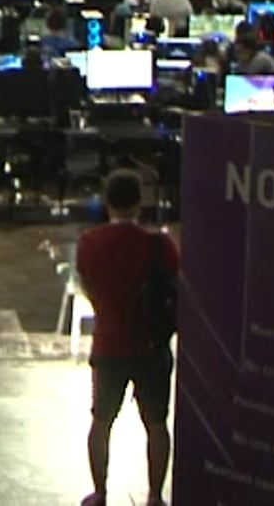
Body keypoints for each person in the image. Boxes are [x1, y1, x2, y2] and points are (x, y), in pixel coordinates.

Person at [75, 169, 178, 506]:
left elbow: (89, 288)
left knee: (101, 421)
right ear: (139, 201)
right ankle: (155, 495)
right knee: (157, 424)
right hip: (152, 346)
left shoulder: (89, 243)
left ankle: (100, 492)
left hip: (109, 345)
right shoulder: (160, 245)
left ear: (107, 201)